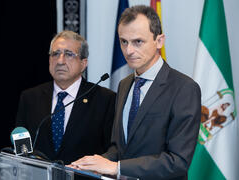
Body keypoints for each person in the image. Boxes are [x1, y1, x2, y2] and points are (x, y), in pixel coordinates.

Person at [70, 5, 201, 180]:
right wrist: (94, 163)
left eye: (138, 41)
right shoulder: (125, 85)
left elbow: (177, 161)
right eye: (124, 41)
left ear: (159, 41)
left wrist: (116, 167)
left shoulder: (184, 88)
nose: (129, 50)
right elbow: (120, 148)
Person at [16, 30, 116, 165]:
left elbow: (112, 151)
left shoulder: (105, 99)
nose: (60, 61)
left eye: (69, 54)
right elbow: (21, 147)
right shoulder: (30, 98)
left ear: (83, 63)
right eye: (55, 54)